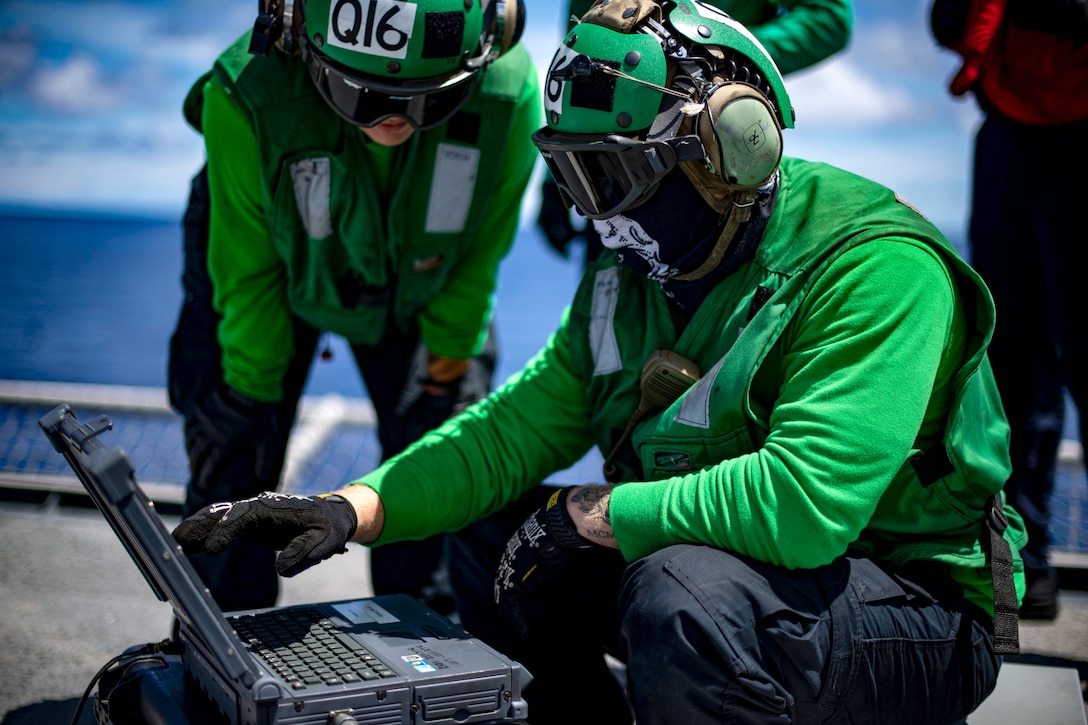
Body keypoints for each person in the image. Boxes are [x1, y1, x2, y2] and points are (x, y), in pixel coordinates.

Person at [174, 1, 1028, 722]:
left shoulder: (872, 267)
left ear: (732, 150)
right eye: (578, 180)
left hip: (913, 606)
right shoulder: (635, 272)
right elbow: (505, 435)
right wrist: (347, 507)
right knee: (495, 529)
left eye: (616, 176)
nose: (600, 218)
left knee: (680, 597)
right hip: (748, 580)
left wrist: (588, 511)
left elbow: (803, 506)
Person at [167, 0, 540, 614]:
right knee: (229, 447)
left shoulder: (508, 89)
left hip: (427, 276)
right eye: (360, 92)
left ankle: (421, 652)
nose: (394, 114)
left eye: (427, 97)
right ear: (298, 37)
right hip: (265, 269)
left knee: (442, 451)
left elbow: (479, 253)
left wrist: (444, 372)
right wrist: (248, 398)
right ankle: (223, 642)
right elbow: (248, 270)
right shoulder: (246, 91)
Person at [931, 0, 1088, 620]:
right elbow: (946, 22)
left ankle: (1023, 573)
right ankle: (1015, 578)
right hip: (1005, 138)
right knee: (998, 371)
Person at [536, 0, 853, 265]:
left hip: (706, 167)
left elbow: (829, 19)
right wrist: (562, 176)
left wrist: (717, 54)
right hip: (603, 170)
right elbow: (582, 56)